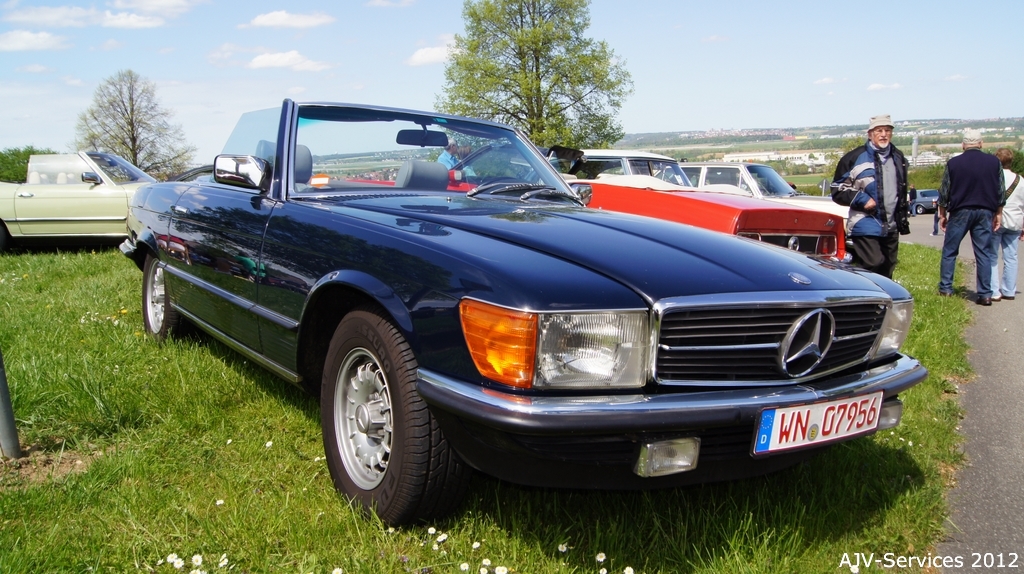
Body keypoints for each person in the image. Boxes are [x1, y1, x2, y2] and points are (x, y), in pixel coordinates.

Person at [830, 114, 910, 279]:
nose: (883, 134)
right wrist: (863, 199)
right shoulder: (854, 158)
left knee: (888, 268)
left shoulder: (898, 157)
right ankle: (855, 287)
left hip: (891, 224)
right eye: (879, 130)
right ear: (870, 134)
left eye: (887, 130)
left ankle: (882, 295)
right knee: (873, 262)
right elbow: (837, 190)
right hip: (865, 222)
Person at [937, 129, 1006, 305]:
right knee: (983, 253)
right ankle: (985, 294)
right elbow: (1000, 191)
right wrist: (998, 213)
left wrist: (942, 214)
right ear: (981, 143)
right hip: (985, 210)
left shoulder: (953, 163)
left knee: (950, 251)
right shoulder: (994, 162)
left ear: (963, 145)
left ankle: (946, 288)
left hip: (960, 210)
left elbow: (944, 191)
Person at [989, 148, 1024, 301]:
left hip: (996, 220)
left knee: (992, 256)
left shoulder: (993, 178)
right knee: (1011, 257)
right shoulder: (1021, 180)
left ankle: (994, 291)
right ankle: (1009, 290)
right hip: (1015, 221)